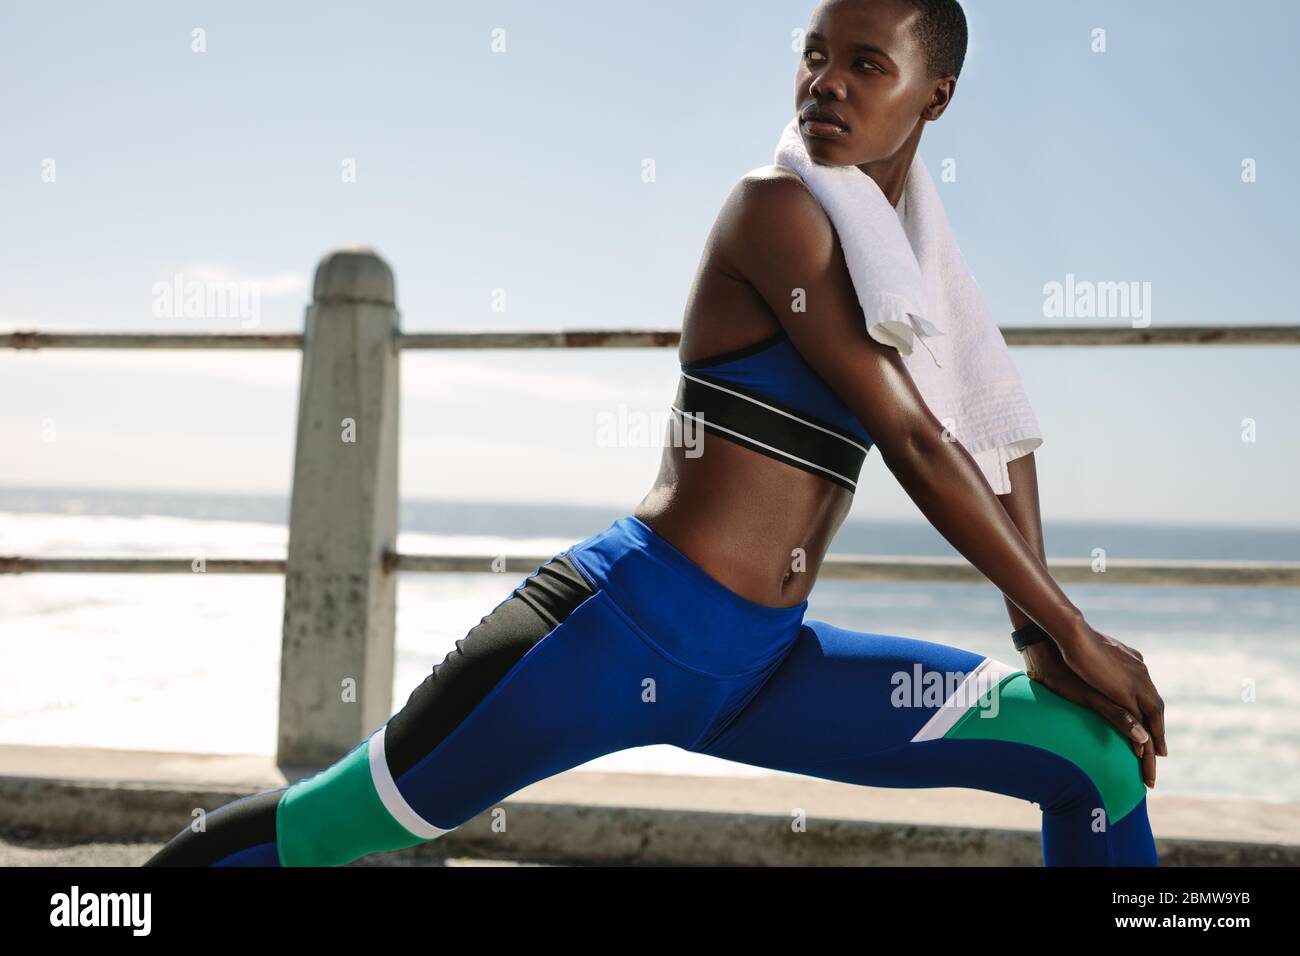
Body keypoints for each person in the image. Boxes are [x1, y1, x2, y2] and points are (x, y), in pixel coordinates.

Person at [144, 0, 1165, 868]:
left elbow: (994, 431)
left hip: (766, 670)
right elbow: (914, 439)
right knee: (332, 823)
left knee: (1091, 755)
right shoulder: (775, 213)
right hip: (607, 635)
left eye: (865, 64)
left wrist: (1039, 640)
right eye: (814, 54)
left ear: (932, 96)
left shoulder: (912, 268)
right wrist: (1075, 629)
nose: (825, 83)